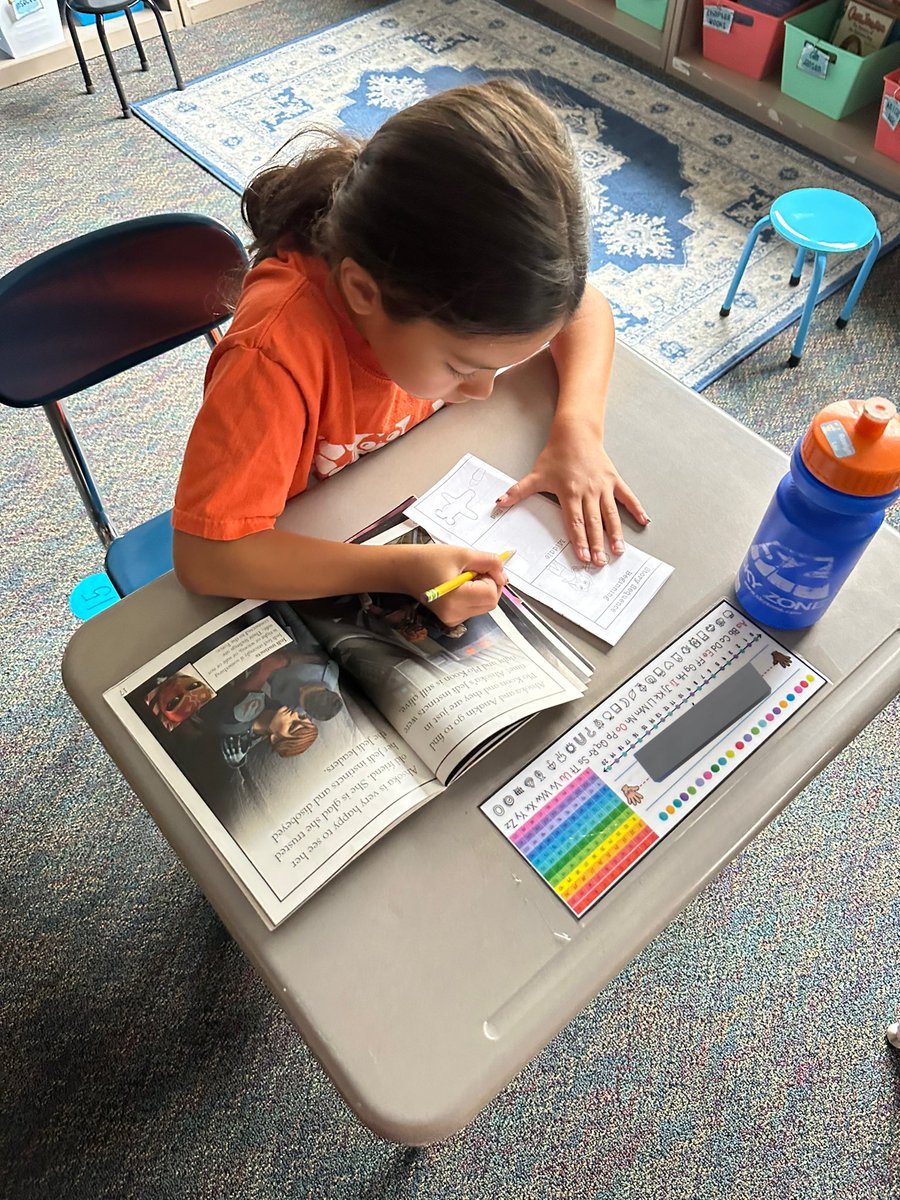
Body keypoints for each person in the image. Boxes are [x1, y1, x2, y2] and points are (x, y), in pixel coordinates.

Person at [172, 79, 649, 627]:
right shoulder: (272, 358)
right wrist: (399, 570)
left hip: (396, 479)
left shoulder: (428, 290)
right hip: (304, 535)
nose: (482, 391)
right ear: (362, 293)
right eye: (462, 368)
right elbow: (206, 557)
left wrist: (578, 433)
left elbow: (585, 308)